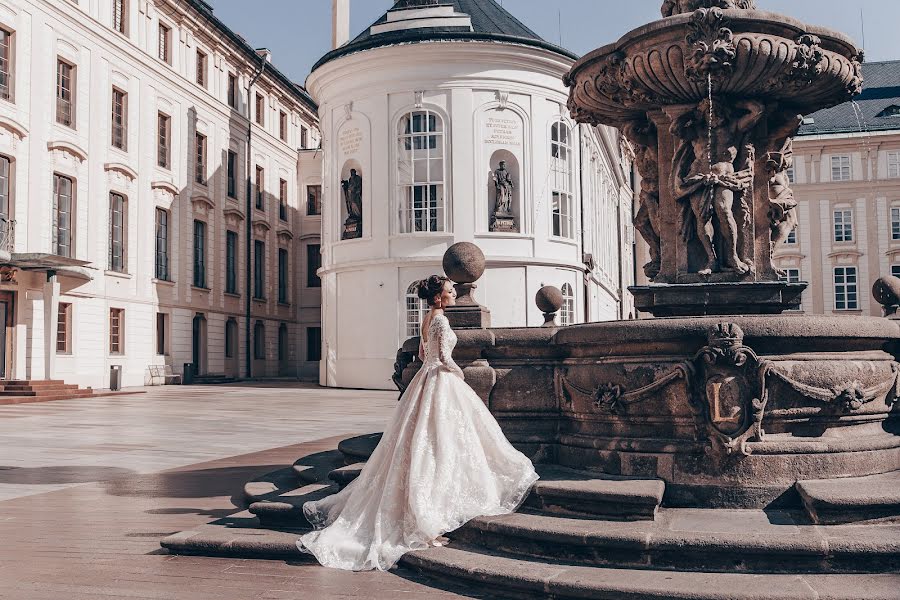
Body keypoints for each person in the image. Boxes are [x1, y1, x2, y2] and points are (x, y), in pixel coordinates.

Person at [297, 275, 539, 571]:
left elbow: (424, 354)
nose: (453, 293)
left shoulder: (428, 319)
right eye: (450, 290)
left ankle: (423, 512)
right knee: (441, 444)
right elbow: (441, 358)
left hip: (426, 380)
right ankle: (426, 519)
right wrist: (459, 374)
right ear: (438, 296)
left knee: (423, 442)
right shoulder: (441, 321)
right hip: (441, 380)